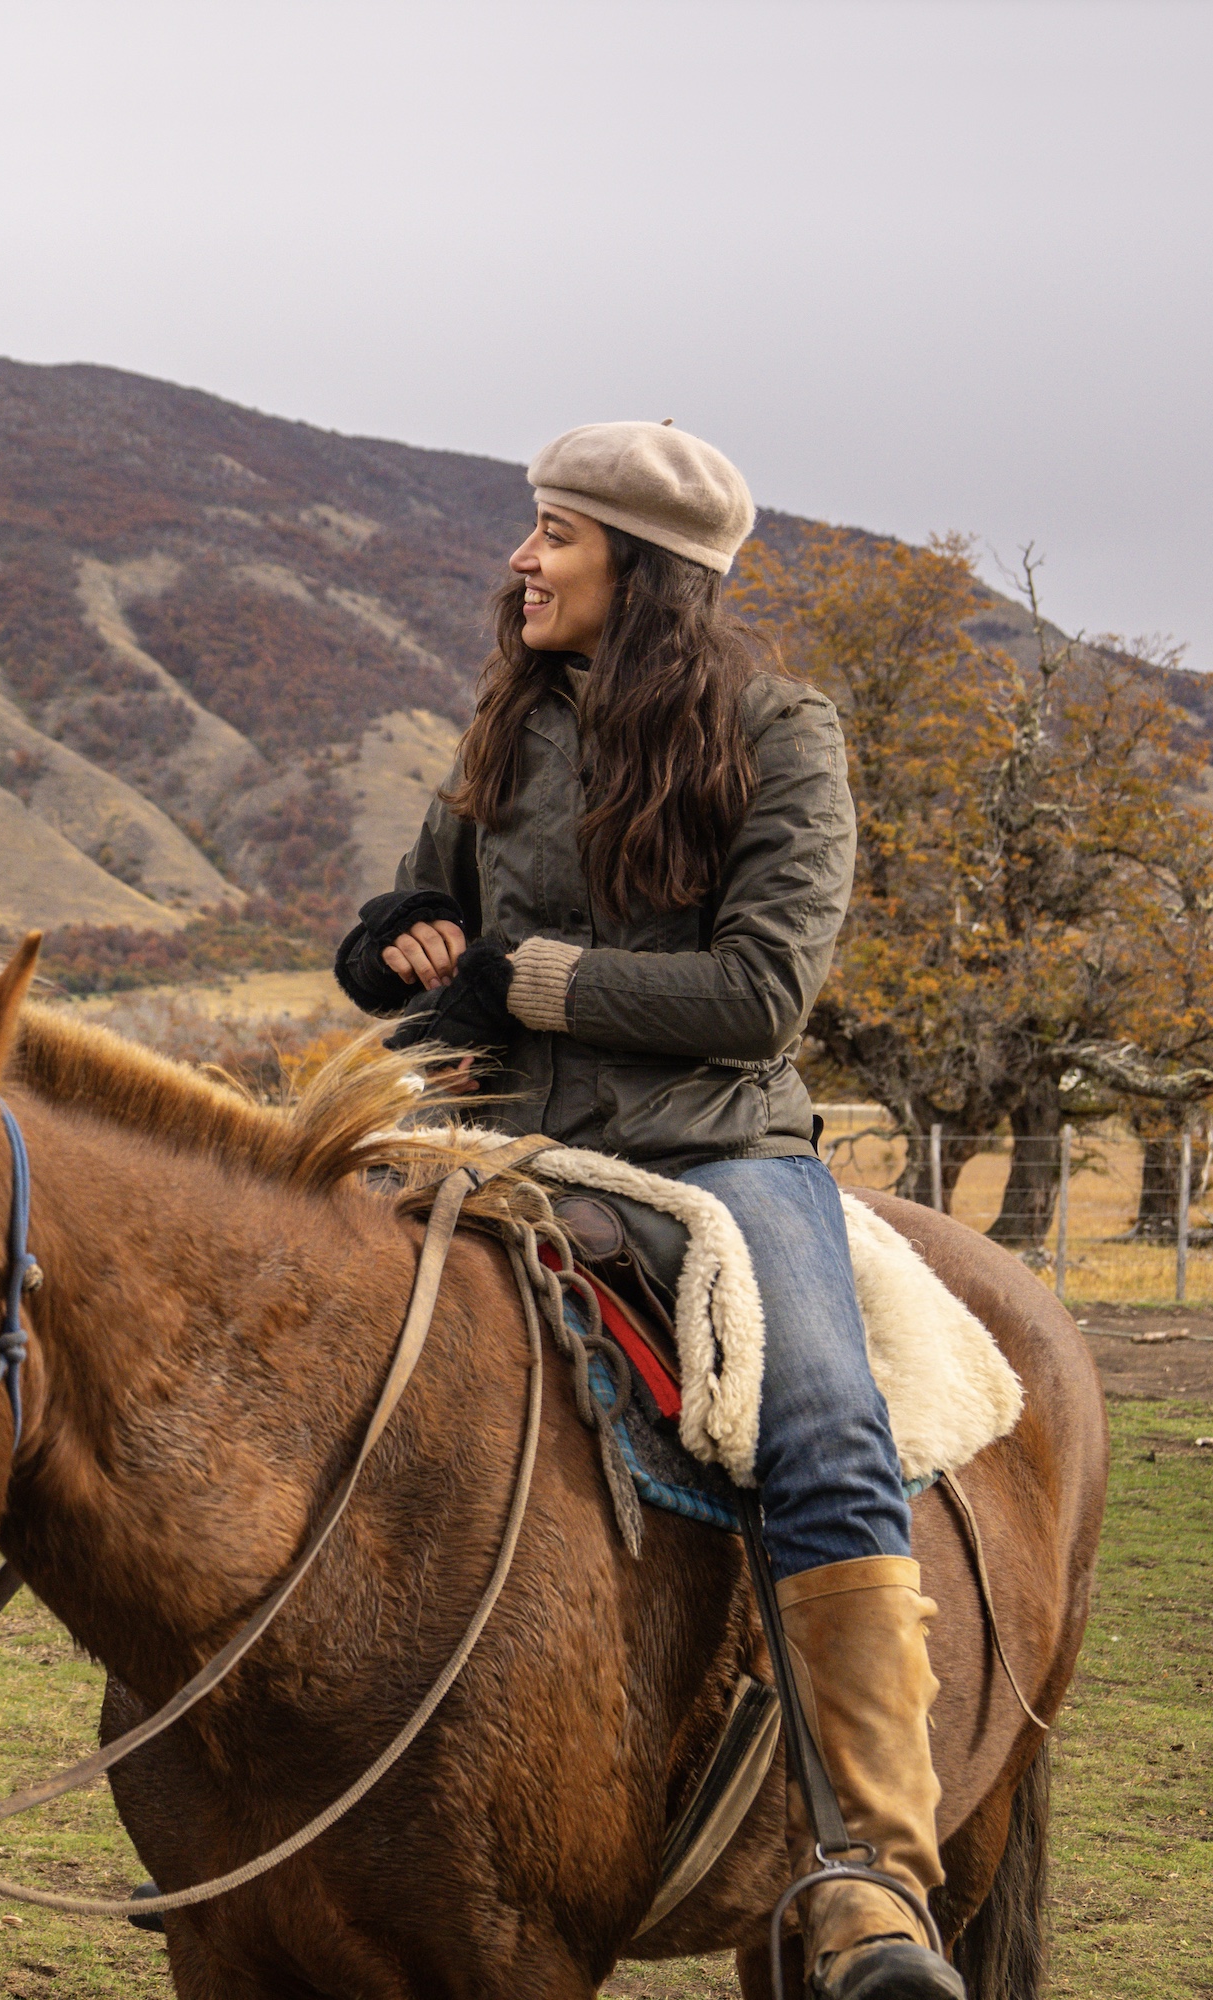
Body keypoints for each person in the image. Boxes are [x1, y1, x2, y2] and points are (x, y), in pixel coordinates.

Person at [332, 423, 961, 2000]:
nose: (523, 561)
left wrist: (524, 979)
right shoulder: (513, 728)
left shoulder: (781, 731)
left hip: (714, 1152)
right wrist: (395, 944)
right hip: (491, 1143)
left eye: (556, 534)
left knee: (823, 1424)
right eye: (530, 529)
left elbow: (760, 997)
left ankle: (874, 1869)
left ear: (646, 569)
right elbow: (436, 933)